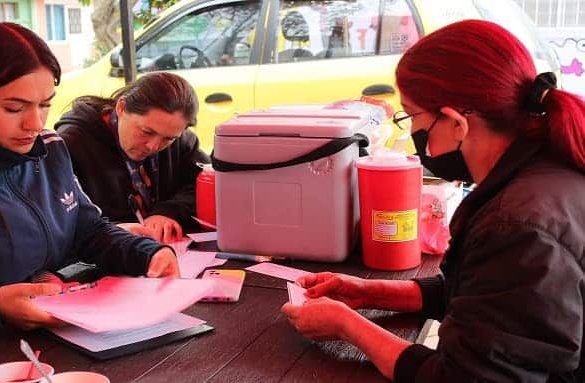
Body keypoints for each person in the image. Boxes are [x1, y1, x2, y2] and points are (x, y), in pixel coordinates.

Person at [282, 19, 585, 382]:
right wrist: (367, 292)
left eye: (411, 114)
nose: (410, 131)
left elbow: (461, 377)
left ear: (457, 123)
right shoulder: (542, 174)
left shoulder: (518, 225)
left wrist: (348, 326)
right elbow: (488, 299)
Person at [0, 22, 179, 340]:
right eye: (14, 108)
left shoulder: (50, 148)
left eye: (45, 104)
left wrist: (147, 253)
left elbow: (87, 229)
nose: (35, 123)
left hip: (61, 337)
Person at [55, 72, 209, 244]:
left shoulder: (182, 141)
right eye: (146, 132)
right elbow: (63, 222)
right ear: (121, 107)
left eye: (168, 138)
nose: (153, 146)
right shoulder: (71, 146)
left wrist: (168, 212)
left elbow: (208, 183)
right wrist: (111, 232)